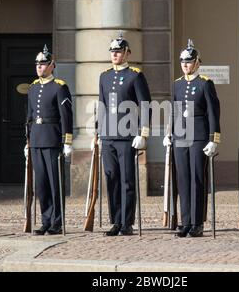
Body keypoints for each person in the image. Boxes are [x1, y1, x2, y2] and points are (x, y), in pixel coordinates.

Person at [94, 32, 151, 236]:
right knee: (112, 179)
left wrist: (142, 133)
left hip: (127, 136)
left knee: (127, 179)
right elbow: (101, 105)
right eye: (113, 52)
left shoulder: (135, 75)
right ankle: (115, 220)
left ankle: (127, 222)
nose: (115, 55)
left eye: (118, 51)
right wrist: (98, 132)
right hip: (108, 135)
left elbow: (145, 105)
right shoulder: (105, 76)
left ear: (127, 53)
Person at [163, 39, 221, 237]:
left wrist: (214, 138)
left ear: (197, 62)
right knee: (183, 178)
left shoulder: (205, 84)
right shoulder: (177, 85)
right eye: (183, 62)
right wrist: (169, 133)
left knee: (197, 178)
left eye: (189, 61)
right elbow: (174, 111)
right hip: (180, 135)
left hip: (199, 135)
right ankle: (185, 221)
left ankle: (197, 222)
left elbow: (213, 113)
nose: (185, 65)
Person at [25, 45, 73, 235]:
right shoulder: (33, 88)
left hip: (53, 140)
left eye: (43, 64)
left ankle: (57, 221)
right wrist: (27, 142)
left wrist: (67, 141)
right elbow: (28, 117)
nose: (39, 67)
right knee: (42, 184)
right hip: (36, 140)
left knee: (55, 183)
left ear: (52, 66)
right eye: (37, 64)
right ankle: (45, 219)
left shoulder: (59, 87)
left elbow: (66, 116)